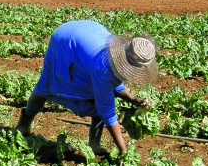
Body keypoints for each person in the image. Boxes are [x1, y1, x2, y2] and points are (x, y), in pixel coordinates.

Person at [14, 20, 159, 156]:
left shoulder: (119, 53)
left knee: (99, 96)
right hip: (64, 42)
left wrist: (133, 99)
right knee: (46, 86)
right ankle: (23, 126)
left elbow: (113, 81)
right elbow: (107, 111)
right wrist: (123, 150)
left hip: (86, 33)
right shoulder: (102, 68)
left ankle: (94, 144)